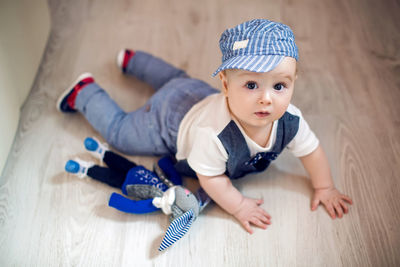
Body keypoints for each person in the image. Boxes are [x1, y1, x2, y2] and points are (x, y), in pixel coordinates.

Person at [57, 19, 353, 234]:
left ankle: (134, 60)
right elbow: (211, 179)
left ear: (293, 83)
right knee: (122, 133)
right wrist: (238, 206)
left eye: (279, 85)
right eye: (251, 85)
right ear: (225, 84)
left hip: (196, 93)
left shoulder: (291, 119)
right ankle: (84, 92)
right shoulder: (215, 137)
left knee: (177, 79)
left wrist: (324, 186)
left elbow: (311, 150)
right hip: (168, 121)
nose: (266, 99)